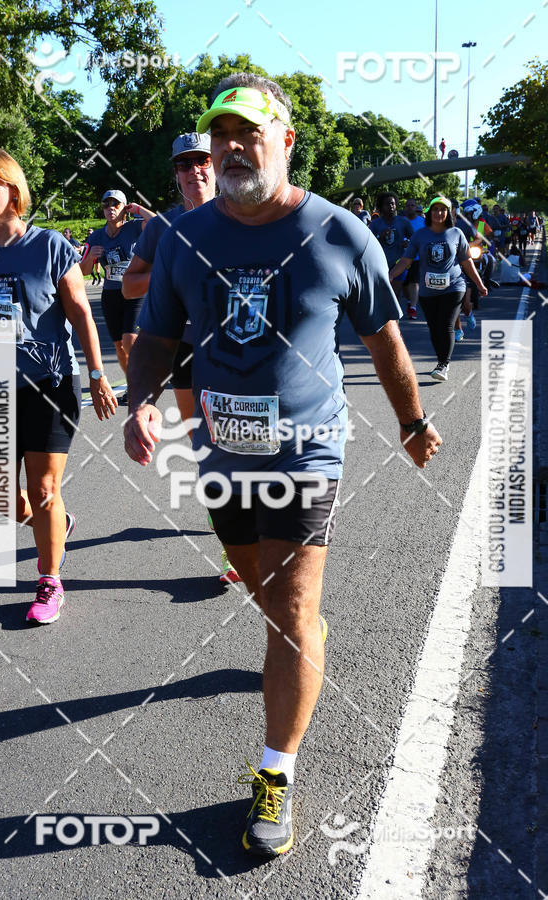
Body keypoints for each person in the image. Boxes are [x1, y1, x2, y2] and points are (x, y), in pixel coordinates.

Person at [123, 72, 442, 858]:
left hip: (306, 453)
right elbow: (159, 333)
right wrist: (141, 399)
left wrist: (412, 420)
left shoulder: (339, 234)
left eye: (248, 134)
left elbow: (385, 342)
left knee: (292, 612)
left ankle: (276, 771)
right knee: (265, 596)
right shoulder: (185, 236)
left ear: (285, 143)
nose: (231, 148)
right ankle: (299, 637)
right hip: (223, 454)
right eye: (219, 135)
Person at [0, 147, 117, 624]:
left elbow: (82, 313)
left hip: (50, 381)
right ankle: (57, 526)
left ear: (13, 190)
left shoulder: (49, 246)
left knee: (43, 487)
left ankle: (49, 580)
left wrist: (100, 375)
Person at [122, 132, 240, 585]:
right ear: (176, 175)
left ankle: (247, 521)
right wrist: (172, 273)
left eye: (201, 162)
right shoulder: (161, 228)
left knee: (244, 442)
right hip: (186, 348)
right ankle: (231, 538)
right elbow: (130, 285)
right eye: (184, 165)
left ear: (214, 163)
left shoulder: (244, 214)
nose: (195, 172)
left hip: (237, 345)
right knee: (207, 445)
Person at [389, 196, 488, 381]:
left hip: (453, 287)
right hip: (428, 291)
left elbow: (466, 262)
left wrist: (479, 284)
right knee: (434, 328)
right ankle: (441, 360)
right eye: (435, 209)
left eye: (443, 210)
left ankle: (443, 364)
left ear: (449, 213)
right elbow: (406, 259)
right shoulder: (420, 235)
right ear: (429, 212)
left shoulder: (457, 233)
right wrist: (392, 274)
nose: (439, 213)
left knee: (447, 324)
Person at [80, 191, 154, 379]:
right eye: (106, 204)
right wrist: (90, 257)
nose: (110, 208)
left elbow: (159, 225)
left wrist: (139, 209)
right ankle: (133, 385)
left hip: (135, 292)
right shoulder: (96, 236)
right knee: (119, 346)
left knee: (129, 340)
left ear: (125, 208)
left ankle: (144, 378)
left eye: (116, 204)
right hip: (111, 294)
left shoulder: (135, 227)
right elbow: (84, 271)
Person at [369, 192, 414, 300]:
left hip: (398, 264)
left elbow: (414, 239)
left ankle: (394, 316)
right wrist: (380, 237)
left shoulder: (403, 222)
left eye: (393, 204)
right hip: (380, 264)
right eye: (388, 204)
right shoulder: (375, 224)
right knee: (383, 296)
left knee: (394, 295)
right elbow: (368, 244)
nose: (391, 206)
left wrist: (407, 242)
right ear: (381, 206)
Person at [402, 197, 425, 319]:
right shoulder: (401, 221)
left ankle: (413, 308)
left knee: (414, 282)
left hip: (417, 257)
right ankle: (410, 300)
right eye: (408, 205)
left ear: (416, 208)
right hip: (402, 258)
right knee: (404, 285)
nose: (410, 207)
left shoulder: (422, 222)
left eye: (412, 205)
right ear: (405, 208)